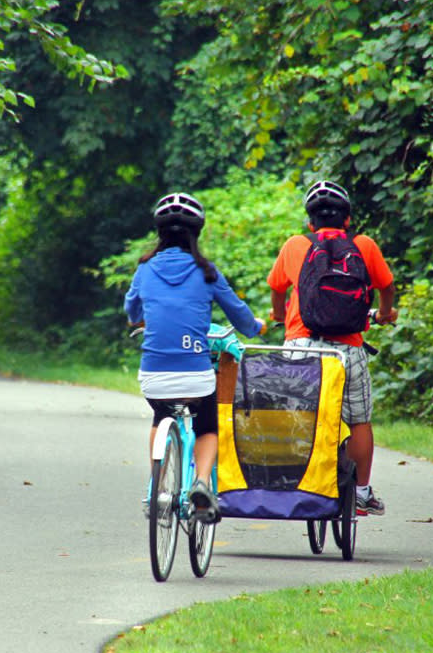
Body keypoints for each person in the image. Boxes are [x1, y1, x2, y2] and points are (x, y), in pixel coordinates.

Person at [125, 192, 265, 523]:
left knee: (160, 417)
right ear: (196, 232)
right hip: (195, 377)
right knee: (206, 425)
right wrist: (256, 326)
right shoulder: (207, 272)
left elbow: (133, 313)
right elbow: (242, 319)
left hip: (153, 378)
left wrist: (145, 317)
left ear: (160, 233)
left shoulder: (144, 269)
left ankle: (156, 486)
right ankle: (202, 483)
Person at [266, 180, 397, 515]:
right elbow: (387, 285)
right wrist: (384, 314)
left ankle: (291, 481)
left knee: (297, 415)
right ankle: (362, 492)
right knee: (359, 421)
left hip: (302, 347)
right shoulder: (364, 245)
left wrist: (281, 316)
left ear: (310, 222)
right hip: (347, 351)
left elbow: (276, 289)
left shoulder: (296, 245)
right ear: (348, 219)